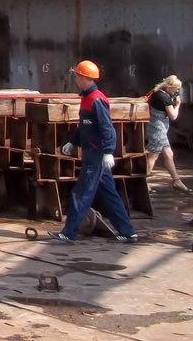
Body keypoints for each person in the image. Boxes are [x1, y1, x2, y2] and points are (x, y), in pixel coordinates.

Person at [51, 59, 137, 245]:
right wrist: (73, 142)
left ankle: (69, 233)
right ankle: (128, 233)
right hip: (92, 154)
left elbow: (108, 128)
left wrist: (108, 151)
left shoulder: (97, 100)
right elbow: (85, 127)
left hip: (96, 156)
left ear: (85, 78)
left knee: (81, 193)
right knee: (109, 195)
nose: (76, 79)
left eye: (77, 76)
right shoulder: (86, 99)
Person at [146, 75, 189, 191]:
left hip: (157, 128)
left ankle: (177, 181)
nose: (177, 91)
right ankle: (143, 181)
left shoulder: (157, 92)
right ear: (169, 87)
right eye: (176, 88)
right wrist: (178, 105)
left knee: (169, 154)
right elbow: (173, 116)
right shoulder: (164, 97)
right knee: (153, 156)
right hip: (158, 129)